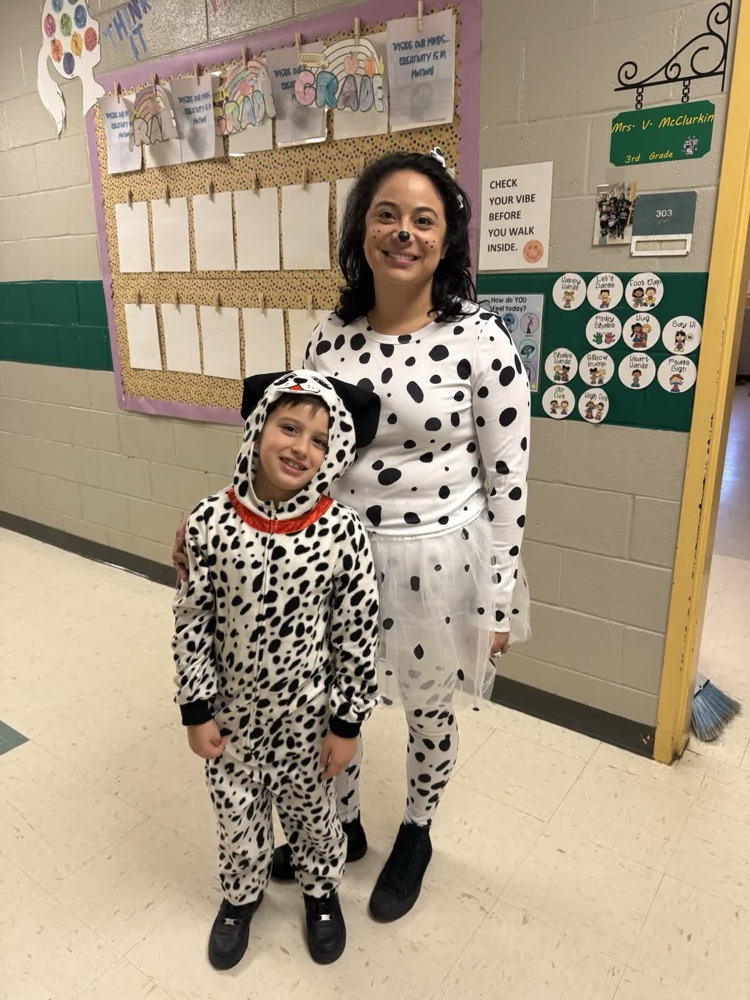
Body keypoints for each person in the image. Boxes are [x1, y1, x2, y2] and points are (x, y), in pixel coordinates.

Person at [174, 149, 530, 924]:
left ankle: (416, 831)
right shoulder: (330, 338)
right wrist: (217, 518)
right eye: (386, 215)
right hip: (328, 559)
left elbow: (509, 484)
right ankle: (340, 824)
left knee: (429, 711)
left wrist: (496, 602)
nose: (404, 233)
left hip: (439, 562)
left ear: (448, 238)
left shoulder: (482, 340)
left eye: (424, 220)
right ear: (362, 230)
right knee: (332, 699)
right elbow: (296, 453)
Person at [172, 370, 381, 970]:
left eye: (320, 439)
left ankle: (320, 895)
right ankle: (240, 897)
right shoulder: (209, 522)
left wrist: (346, 724)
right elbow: (192, 623)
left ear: (335, 449)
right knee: (236, 819)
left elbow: (357, 633)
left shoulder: (342, 533)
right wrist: (196, 710)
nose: (301, 448)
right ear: (258, 427)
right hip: (233, 720)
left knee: (314, 819)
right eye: (289, 427)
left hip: (308, 724)